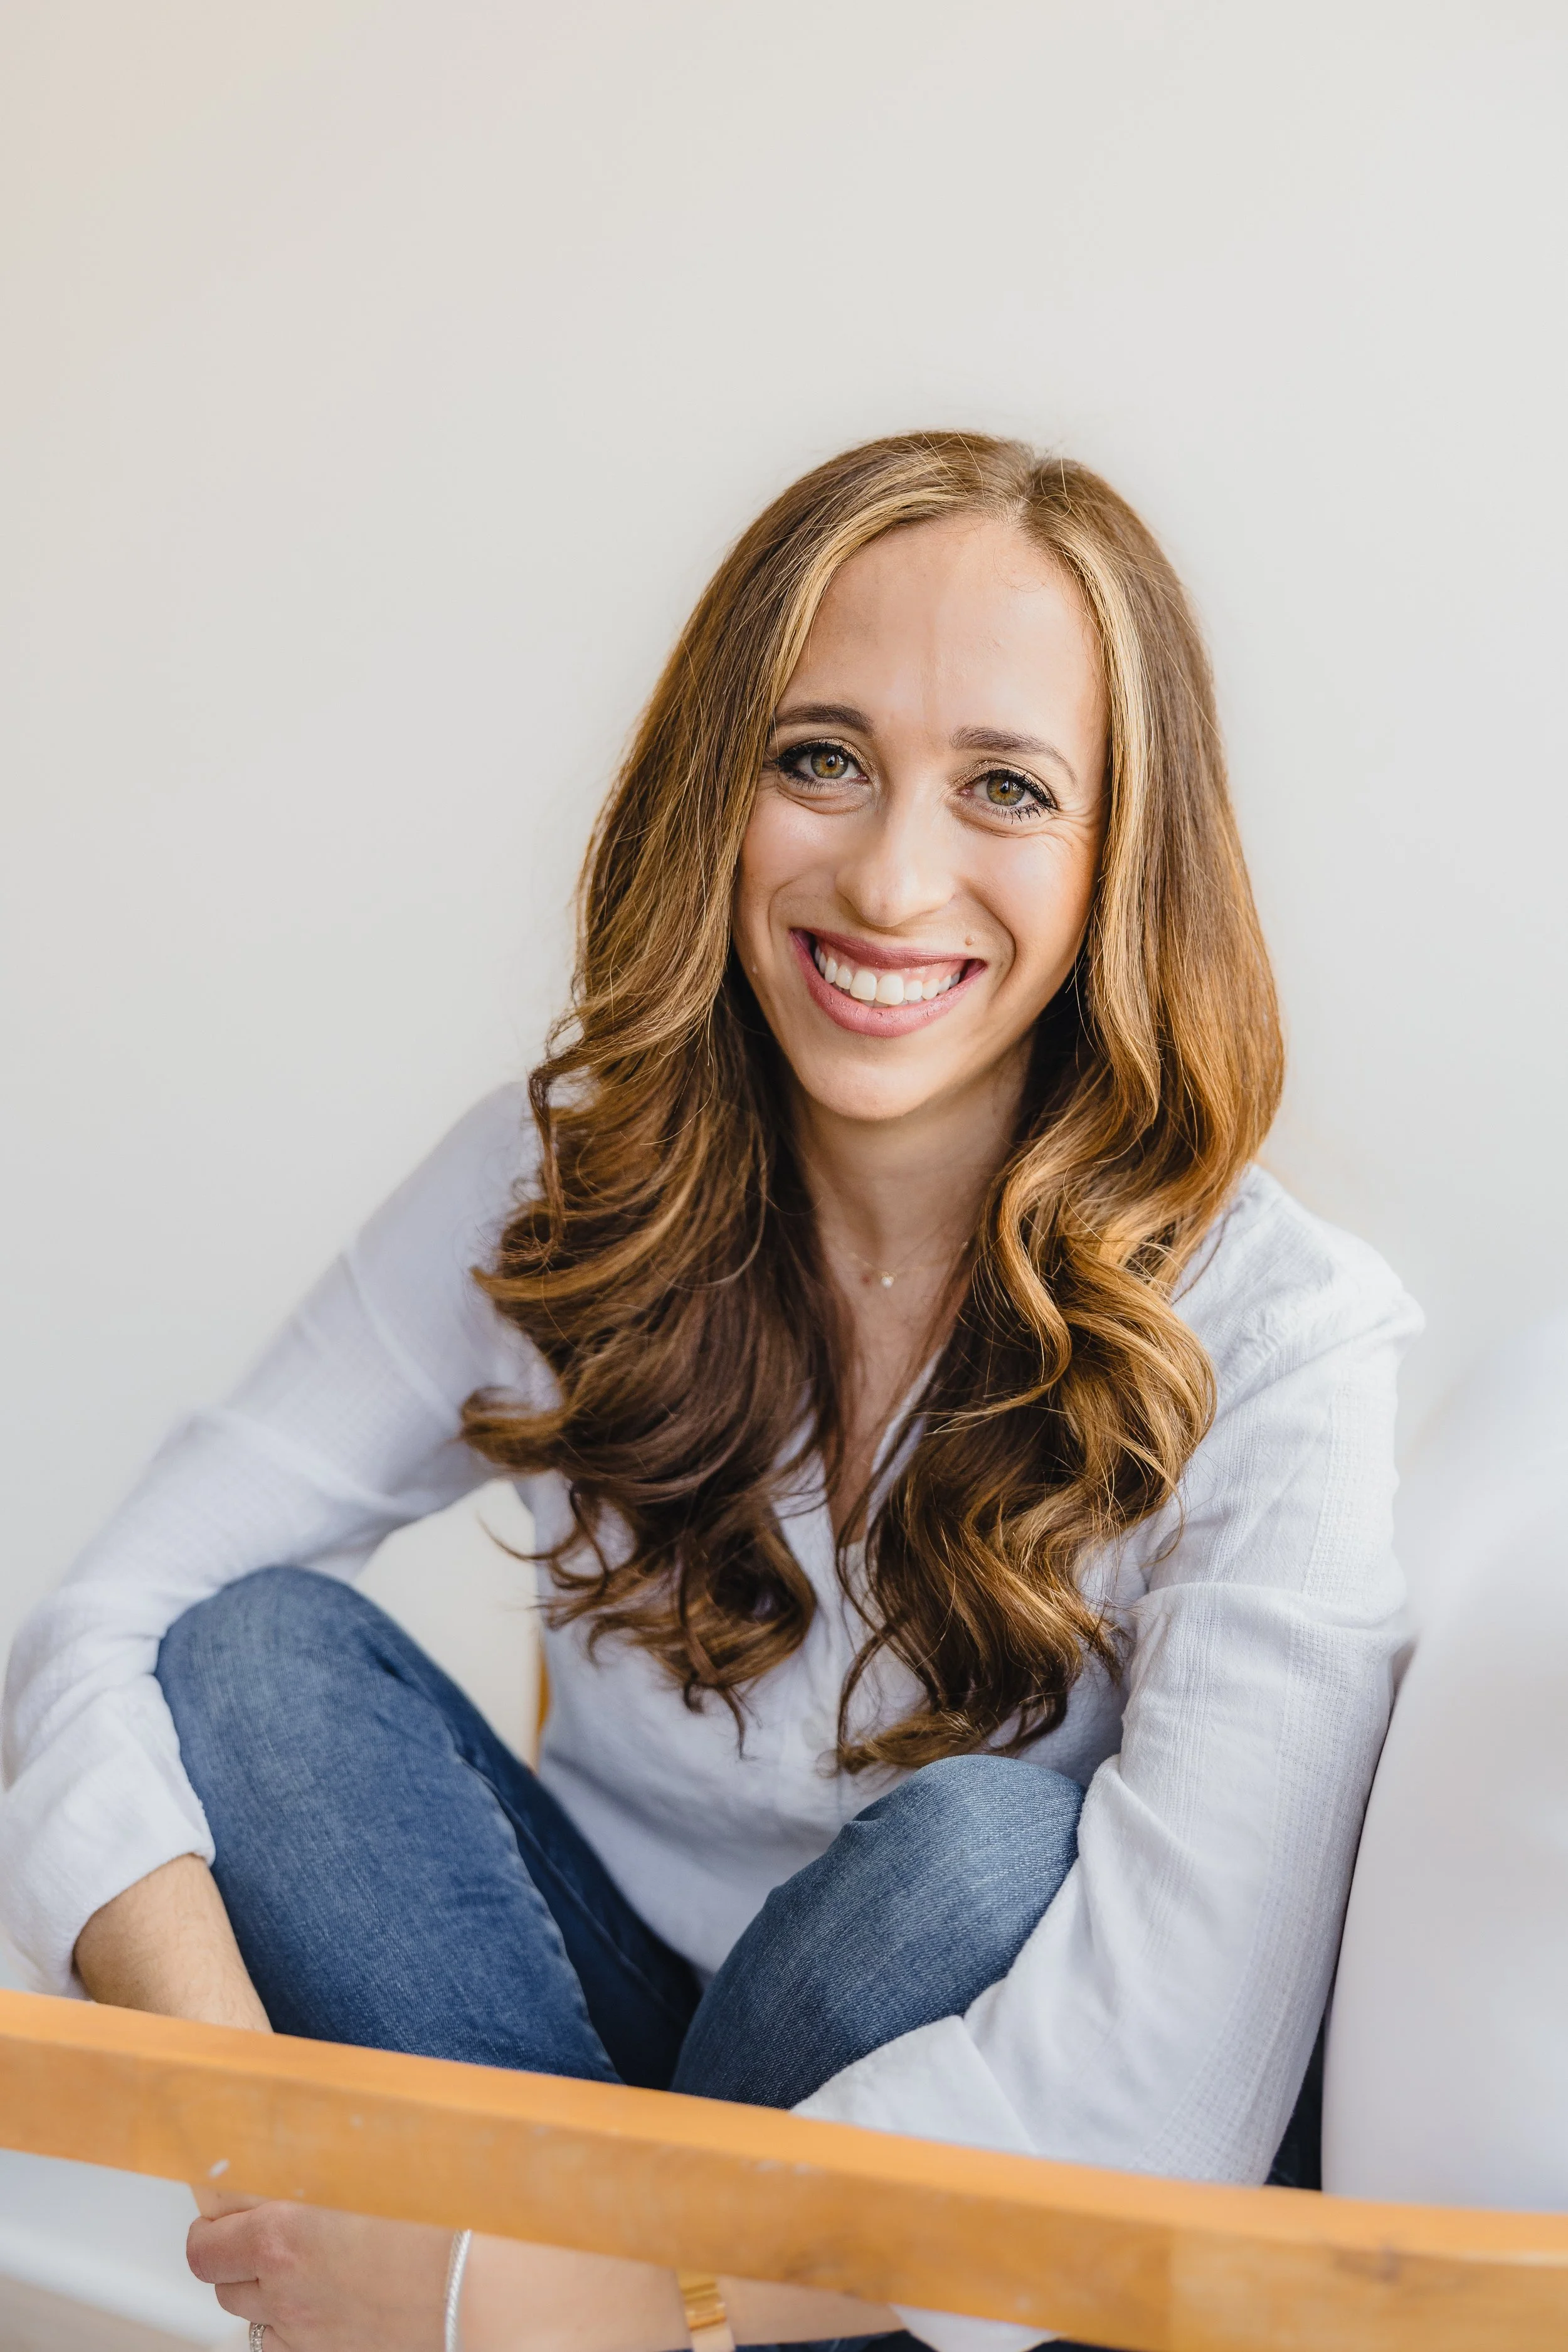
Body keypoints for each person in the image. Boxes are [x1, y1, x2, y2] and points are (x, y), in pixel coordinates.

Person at [0, 433, 1419, 2352]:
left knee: (980, 1861)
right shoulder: (562, 1175)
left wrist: (545, 2296)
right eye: (818, 755)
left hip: (915, 2214)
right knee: (252, 1655)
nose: (892, 874)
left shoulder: (1284, 1330)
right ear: (720, 787)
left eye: (1005, 787)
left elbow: (1160, 2094)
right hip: (550, 2055)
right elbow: (105, 1626)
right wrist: (263, 2137)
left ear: (1117, 860)